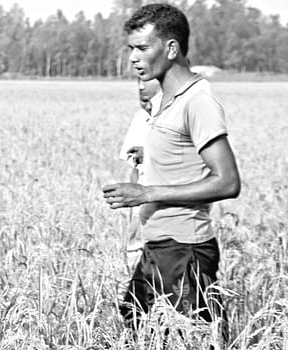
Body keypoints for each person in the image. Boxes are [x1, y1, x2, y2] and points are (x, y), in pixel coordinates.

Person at [101, 3, 241, 330]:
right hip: (159, 246)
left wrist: (147, 193)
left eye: (142, 48)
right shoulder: (166, 102)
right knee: (133, 327)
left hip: (185, 249)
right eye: (130, 49)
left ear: (171, 48)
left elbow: (228, 181)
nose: (133, 58)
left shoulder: (197, 102)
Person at [119, 78, 161, 271]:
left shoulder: (180, 120)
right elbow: (134, 170)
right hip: (141, 203)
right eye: (139, 83)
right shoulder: (141, 119)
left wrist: (150, 153)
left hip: (170, 203)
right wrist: (131, 208)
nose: (141, 88)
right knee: (136, 253)